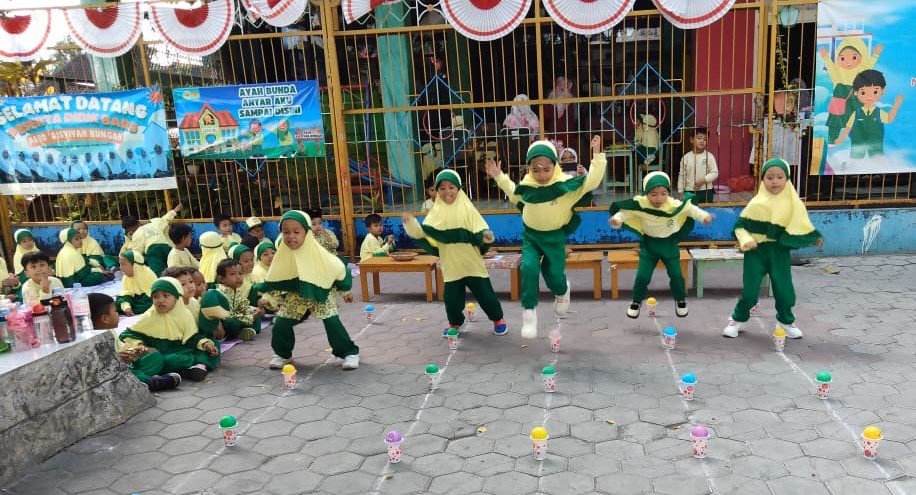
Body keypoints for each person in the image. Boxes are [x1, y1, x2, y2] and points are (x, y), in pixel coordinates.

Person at [486, 135, 606, 338]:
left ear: (555, 166)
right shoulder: (528, 188)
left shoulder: (565, 188)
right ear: (529, 169)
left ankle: (562, 290)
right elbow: (513, 192)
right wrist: (499, 176)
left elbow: (591, 182)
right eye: (535, 170)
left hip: (555, 239)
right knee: (529, 268)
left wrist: (597, 156)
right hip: (531, 237)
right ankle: (529, 315)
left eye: (546, 169)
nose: (541, 174)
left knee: (553, 277)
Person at [722, 158, 824, 338]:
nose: (774, 181)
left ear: (787, 179)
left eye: (779, 177)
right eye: (769, 177)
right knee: (750, 292)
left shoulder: (794, 203)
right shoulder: (756, 203)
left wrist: (812, 238)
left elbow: (802, 224)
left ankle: (786, 321)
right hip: (756, 253)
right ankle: (737, 319)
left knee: (785, 292)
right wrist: (746, 240)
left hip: (779, 252)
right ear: (763, 180)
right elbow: (739, 227)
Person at [403, 170, 508, 336]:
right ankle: (454, 323)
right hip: (451, 266)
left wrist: (486, 236)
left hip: (472, 264)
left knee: (486, 296)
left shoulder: (468, 209)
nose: (447, 192)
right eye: (442, 188)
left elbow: (481, 230)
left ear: (458, 188)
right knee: (451, 300)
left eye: (451, 187)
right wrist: (410, 223)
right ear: (437, 191)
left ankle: (498, 319)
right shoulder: (435, 213)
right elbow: (424, 234)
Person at [256, 210, 360, 370]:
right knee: (281, 324)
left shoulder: (319, 253)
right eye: (286, 232)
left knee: (332, 323)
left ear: (307, 232)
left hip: (321, 293)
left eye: (296, 232)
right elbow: (275, 279)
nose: (291, 236)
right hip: (296, 296)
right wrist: (269, 298)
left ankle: (349, 353)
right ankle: (283, 354)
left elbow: (338, 270)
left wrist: (344, 291)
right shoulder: (282, 255)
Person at [609, 172, 712, 318]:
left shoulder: (673, 205)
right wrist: (616, 220)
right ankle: (636, 301)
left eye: (663, 193)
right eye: (653, 194)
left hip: (669, 244)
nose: (659, 198)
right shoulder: (640, 204)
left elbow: (690, 209)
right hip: (649, 245)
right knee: (642, 276)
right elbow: (625, 213)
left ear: (668, 193)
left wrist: (704, 217)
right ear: (646, 194)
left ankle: (680, 299)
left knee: (676, 275)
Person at [119, 277, 220, 387]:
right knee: (161, 360)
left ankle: (197, 366)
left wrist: (205, 344)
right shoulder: (148, 316)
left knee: (211, 345)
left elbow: (193, 338)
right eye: (155, 297)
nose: (160, 300)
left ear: (176, 298)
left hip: (181, 352)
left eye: (166, 296)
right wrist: (139, 345)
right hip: (161, 355)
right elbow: (128, 334)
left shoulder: (184, 315)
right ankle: (188, 369)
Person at [818, 38, 882, 143]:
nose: (848, 62)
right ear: (838, 58)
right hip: (839, 101)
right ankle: (831, 139)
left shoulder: (860, 72)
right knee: (835, 122)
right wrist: (825, 57)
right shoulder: (837, 74)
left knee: (859, 119)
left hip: (855, 100)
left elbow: (868, 66)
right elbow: (830, 67)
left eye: (853, 57)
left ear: (861, 57)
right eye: (842, 58)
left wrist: (875, 55)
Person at [834, 69, 904, 158]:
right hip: (858, 142)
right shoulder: (856, 113)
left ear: (883, 91)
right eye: (863, 92)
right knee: (856, 160)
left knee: (877, 159)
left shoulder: (879, 112)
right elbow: (848, 127)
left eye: (875, 92)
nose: (869, 96)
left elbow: (889, 119)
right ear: (856, 92)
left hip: (876, 142)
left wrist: (896, 105)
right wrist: (841, 138)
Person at [200, 259, 261, 341]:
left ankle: (243, 331)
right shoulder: (220, 293)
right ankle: (239, 332)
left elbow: (243, 306)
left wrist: (254, 310)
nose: (238, 277)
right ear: (222, 278)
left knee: (257, 316)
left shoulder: (236, 291)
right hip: (225, 320)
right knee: (231, 324)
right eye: (233, 274)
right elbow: (229, 315)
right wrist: (249, 317)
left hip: (238, 317)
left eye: (240, 273)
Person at [124, 203, 183, 275]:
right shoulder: (155, 223)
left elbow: (136, 253)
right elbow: (166, 218)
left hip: (153, 251)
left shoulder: (136, 234)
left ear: (130, 232)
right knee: (174, 267)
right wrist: (175, 210)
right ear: (139, 222)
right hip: (166, 246)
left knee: (159, 273)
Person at [677, 127, 718, 204]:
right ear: (692, 140)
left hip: (706, 191)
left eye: (705, 139)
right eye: (699, 138)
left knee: (706, 212)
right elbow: (682, 175)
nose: (702, 141)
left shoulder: (709, 156)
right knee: (690, 212)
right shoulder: (686, 158)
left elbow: (715, 173)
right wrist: (680, 191)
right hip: (689, 191)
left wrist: (703, 180)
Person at [116, 250, 157, 316]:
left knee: (151, 304)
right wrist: (126, 306)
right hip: (134, 300)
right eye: (120, 264)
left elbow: (153, 295)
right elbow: (125, 295)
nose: (121, 268)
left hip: (147, 299)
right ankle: (129, 310)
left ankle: (131, 309)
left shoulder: (148, 275)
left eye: (123, 264)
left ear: (134, 265)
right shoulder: (126, 278)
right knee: (117, 303)